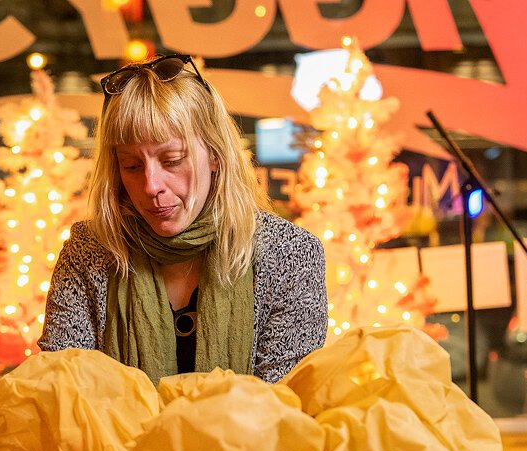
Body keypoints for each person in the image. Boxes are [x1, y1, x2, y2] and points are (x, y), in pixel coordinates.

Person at [38, 54, 327, 383]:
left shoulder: (289, 254)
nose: (151, 186)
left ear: (215, 156)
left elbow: (284, 406)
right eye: (131, 166)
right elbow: (62, 393)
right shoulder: (89, 251)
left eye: (172, 160)